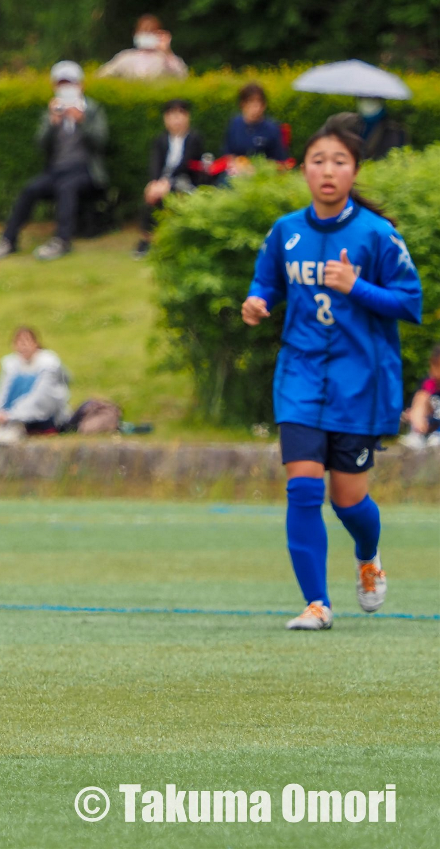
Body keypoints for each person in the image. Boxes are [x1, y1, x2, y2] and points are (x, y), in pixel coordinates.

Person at [241, 123, 422, 631]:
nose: (328, 170)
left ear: (354, 171)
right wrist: (258, 302)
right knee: (302, 490)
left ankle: (368, 554)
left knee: (349, 500)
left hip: (358, 383)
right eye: (318, 159)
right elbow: (266, 281)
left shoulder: (376, 234)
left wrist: (357, 286)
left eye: (339, 161)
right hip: (299, 376)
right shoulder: (286, 230)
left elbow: (411, 303)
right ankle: (317, 603)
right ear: (303, 168)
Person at [0, 61, 109, 262]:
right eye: (61, 83)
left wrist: (82, 121)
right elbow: (40, 145)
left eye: (70, 83)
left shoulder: (93, 109)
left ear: (80, 85)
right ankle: (8, 239)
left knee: (67, 188)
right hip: (56, 169)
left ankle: (62, 241)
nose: (66, 88)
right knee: (30, 189)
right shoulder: (52, 111)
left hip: (85, 170)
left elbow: (101, 141)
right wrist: (52, 124)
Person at [134, 98, 208, 258]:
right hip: (162, 183)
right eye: (171, 115)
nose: (176, 120)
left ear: (187, 117)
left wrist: (167, 182)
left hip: (186, 182)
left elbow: (187, 164)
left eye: (180, 115)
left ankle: (166, 241)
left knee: (164, 192)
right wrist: (155, 183)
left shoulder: (194, 138)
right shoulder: (160, 140)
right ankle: (147, 239)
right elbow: (155, 164)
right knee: (150, 194)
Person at [0, 327, 71, 441]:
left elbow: (39, 397)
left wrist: (11, 415)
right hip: (15, 417)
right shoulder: (11, 365)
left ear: (36, 344)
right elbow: (2, 391)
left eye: (26, 341)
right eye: (18, 342)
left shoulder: (49, 365)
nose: (23, 346)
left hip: (46, 418)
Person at [97, 14, 188, 80]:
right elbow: (101, 75)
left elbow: (183, 76)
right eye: (143, 31)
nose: (146, 34)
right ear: (135, 34)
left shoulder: (165, 58)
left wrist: (167, 51)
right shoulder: (126, 56)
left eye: (151, 31)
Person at [222, 82, 288, 163]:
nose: (255, 109)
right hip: (236, 171)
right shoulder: (235, 124)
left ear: (264, 105)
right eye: (250, 103)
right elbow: (227, 152)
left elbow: (279, 160)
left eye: (258, 103)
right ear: (242, 105)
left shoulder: (272, 129)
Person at [401, 345, 440, 450]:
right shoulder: (428, 383)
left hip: (437, 431)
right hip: (427, 425)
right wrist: (411, 414)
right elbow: (414, 406)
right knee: (421, 396)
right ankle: (416, 434)